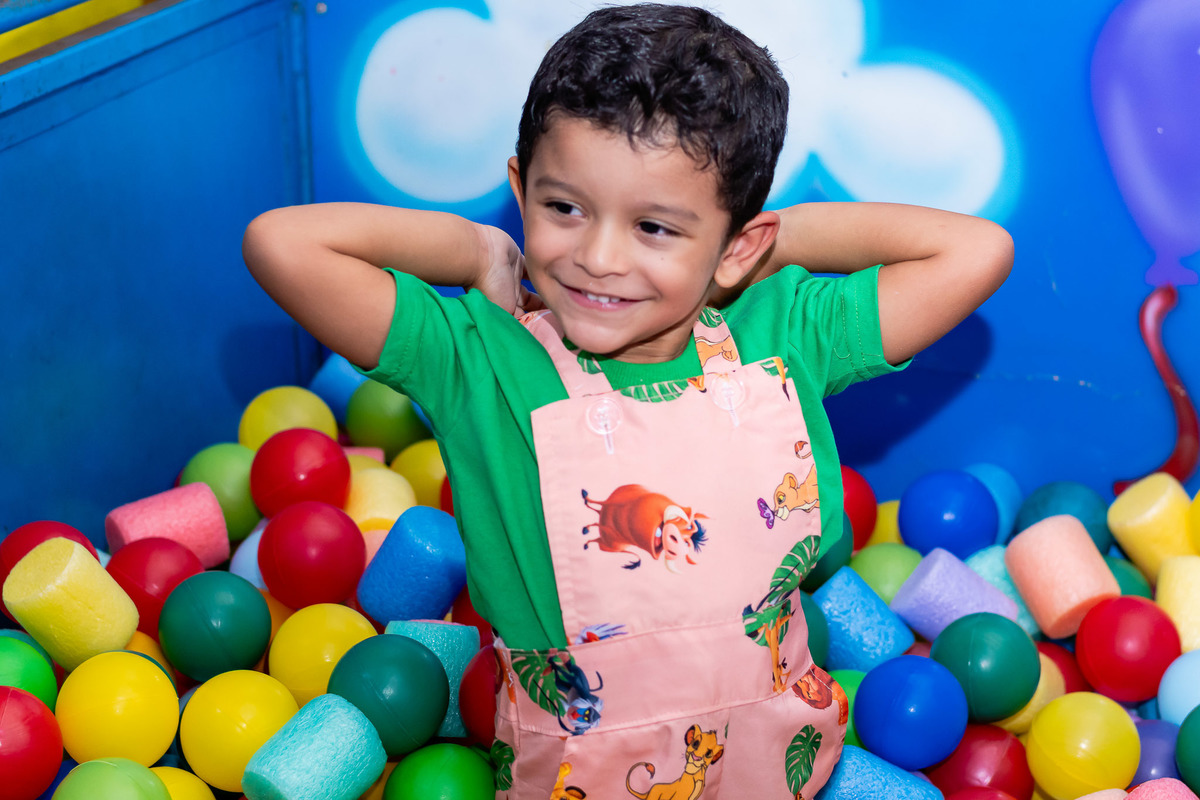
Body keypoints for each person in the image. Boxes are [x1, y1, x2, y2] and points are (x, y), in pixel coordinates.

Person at [242, 4, 1013, 797]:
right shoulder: (480, 358)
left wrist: (761, 246)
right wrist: (475, 248)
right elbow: (282, 243)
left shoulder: (782, 333)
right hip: (579, 774)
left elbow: (975, 252)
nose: (598, 258)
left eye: (654, 227)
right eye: (563, 207)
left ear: (738, 244)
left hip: (771, 763)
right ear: (521, 189)